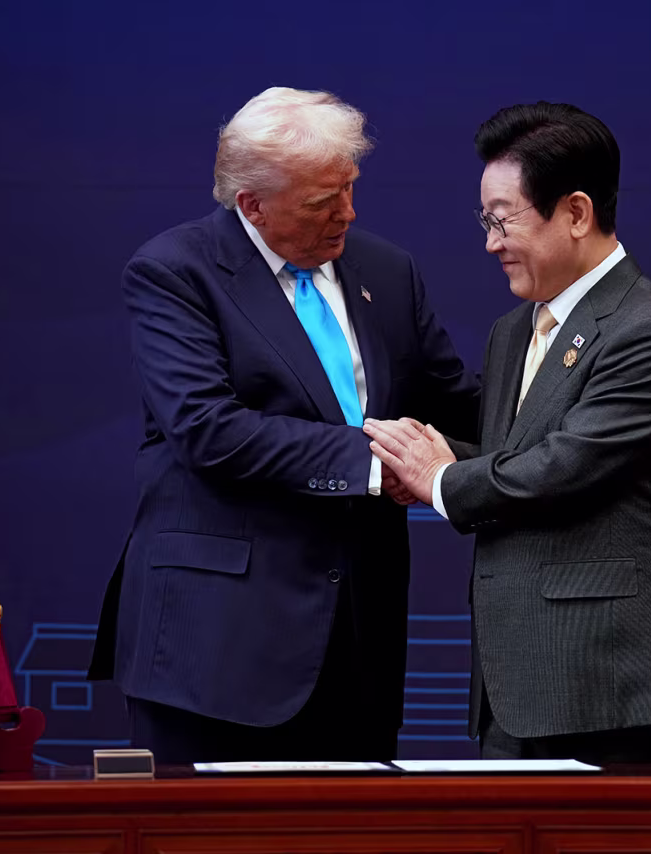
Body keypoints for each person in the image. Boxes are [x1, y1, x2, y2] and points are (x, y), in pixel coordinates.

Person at [88, 87, 480, 764]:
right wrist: (381, 463)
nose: (348, 213)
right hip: (215, 650)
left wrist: (556, 418)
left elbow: (456, 401)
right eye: (322, 201)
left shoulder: (387, 271)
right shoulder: (175, 271)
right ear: (252, 205)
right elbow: (206, 427)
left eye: (350, 188)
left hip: (357, 647)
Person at [364, 102, 651, 764]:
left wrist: (440, 478)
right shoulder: (514, 330)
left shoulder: (648, 328)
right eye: (486, 221)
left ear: (576, 213)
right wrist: (432, 461)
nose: (491, 243)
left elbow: (564, 465)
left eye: (503, 220)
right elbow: (512, 455)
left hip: (613, 689)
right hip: (515, 686)